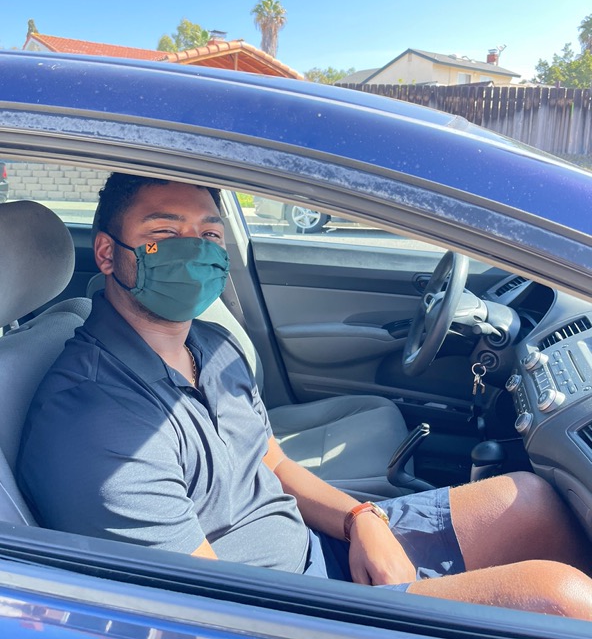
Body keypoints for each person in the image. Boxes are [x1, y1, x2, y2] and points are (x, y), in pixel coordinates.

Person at [17, 174, 592, 620]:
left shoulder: (211, 343)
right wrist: (384, 606)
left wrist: (361, 521)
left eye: (210, 235)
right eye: (164, 235)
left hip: (316, 550)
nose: (194, 251)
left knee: (531, 502)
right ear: (106, 253)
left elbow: (271, 461)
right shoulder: (94, 423)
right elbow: (207, 614)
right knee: (559, 601)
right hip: (281, 611)